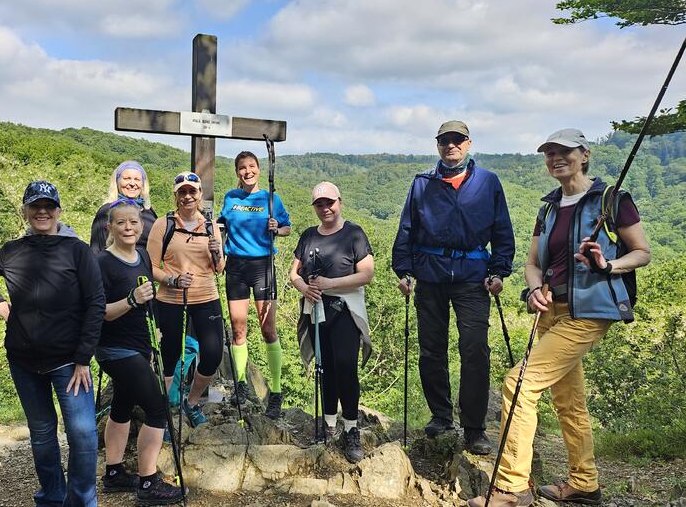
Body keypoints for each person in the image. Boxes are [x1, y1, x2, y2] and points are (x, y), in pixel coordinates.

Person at [468, 129, 651, 507]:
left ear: (584, 155)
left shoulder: (611, 200)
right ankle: (584, 483)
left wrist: (608, 264)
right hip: (551, 311)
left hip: (588, 312)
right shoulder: (549, 208)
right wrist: (533, 288)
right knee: (568, 402)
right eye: (549, 153)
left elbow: (642, 253)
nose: (555, 158)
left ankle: (512, 487)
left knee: (519, 385)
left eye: (564, 152)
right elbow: (534, 264)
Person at [0, 181, 104, 507]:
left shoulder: (77, 250)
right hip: (24, 360)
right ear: (25, 211)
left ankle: (81, 501)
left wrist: (84, 357)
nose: (42, 212)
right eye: (35, 206)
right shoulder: (12, 251)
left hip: (70, 362)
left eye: (48, 206)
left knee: (82, 436)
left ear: (58, 211)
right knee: (41, 434)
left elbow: (96, 303)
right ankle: (52, 497)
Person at [392, 120, 515, 455]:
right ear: (437, 146)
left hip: (473, 277)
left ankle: (474, 429)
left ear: (468, 143)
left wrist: (499, 270)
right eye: (445, 141)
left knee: (474, 350)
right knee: (431, 349)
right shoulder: (422, 183)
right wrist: (403, 270)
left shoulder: (488, 182)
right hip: (430, 275)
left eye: (457, 140)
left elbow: (502, 230)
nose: (451, 146)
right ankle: (441, 416)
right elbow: (407, 229)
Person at [94, 199, 183, 505]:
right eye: (121, 223)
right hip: (113, 349)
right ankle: (148, 482)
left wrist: (152, 331)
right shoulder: (102, 264)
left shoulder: (143, 255)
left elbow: (149, 301)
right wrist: (131, 300)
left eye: (133, 222)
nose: (128, 227)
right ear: (110, 228)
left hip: (138, 346)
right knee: (157, 408)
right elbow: (100, 312)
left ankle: (115, 472)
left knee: (123, 404)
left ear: (141, 226)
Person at [290, 181, 374, 464]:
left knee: (346, 368)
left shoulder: (354, 234)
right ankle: (328, 424)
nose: (325, 208)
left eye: (330, 203)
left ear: (340, 202)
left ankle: (351, 428)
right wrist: (304, 288)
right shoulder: (308, 236)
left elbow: (366, 274)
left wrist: (329, 284)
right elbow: (294, 273)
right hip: (316, 310)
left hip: (345, 311)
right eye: (320, 204)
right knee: (324, 369)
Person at [147, 171, 225, 428]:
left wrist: (217, 253)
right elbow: (150, 267)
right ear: (176, 196)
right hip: (171, 297)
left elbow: (219, 267)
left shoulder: (211, 225)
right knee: (169, 355)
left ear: (200, 194)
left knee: (212, 354)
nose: (188, 196)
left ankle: (190, 403)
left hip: (206, 295)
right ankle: (163, 415)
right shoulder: (164, 224)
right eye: (183, 192)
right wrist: (172, 279)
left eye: (192, 191)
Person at [218, 151, 291, 418]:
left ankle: (276, 390)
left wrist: (277, 227)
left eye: (251, 166)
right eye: (241, 168)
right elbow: (219, 225)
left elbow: (287, 227)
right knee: (238, 328)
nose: (247, 171)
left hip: (263, 266)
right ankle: (240, 385)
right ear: (237, 172)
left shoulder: (271, 199)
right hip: (236, 267)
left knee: (267, 329)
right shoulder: (230, 198)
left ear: (259, 169)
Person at [90, 161, 157, 253]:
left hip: (144, 265)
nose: (132, 183)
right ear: (117, 182)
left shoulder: (149, 212)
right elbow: (96, 249)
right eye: (127, 178)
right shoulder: (107, 211)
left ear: (143, 184)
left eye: (137, 179)